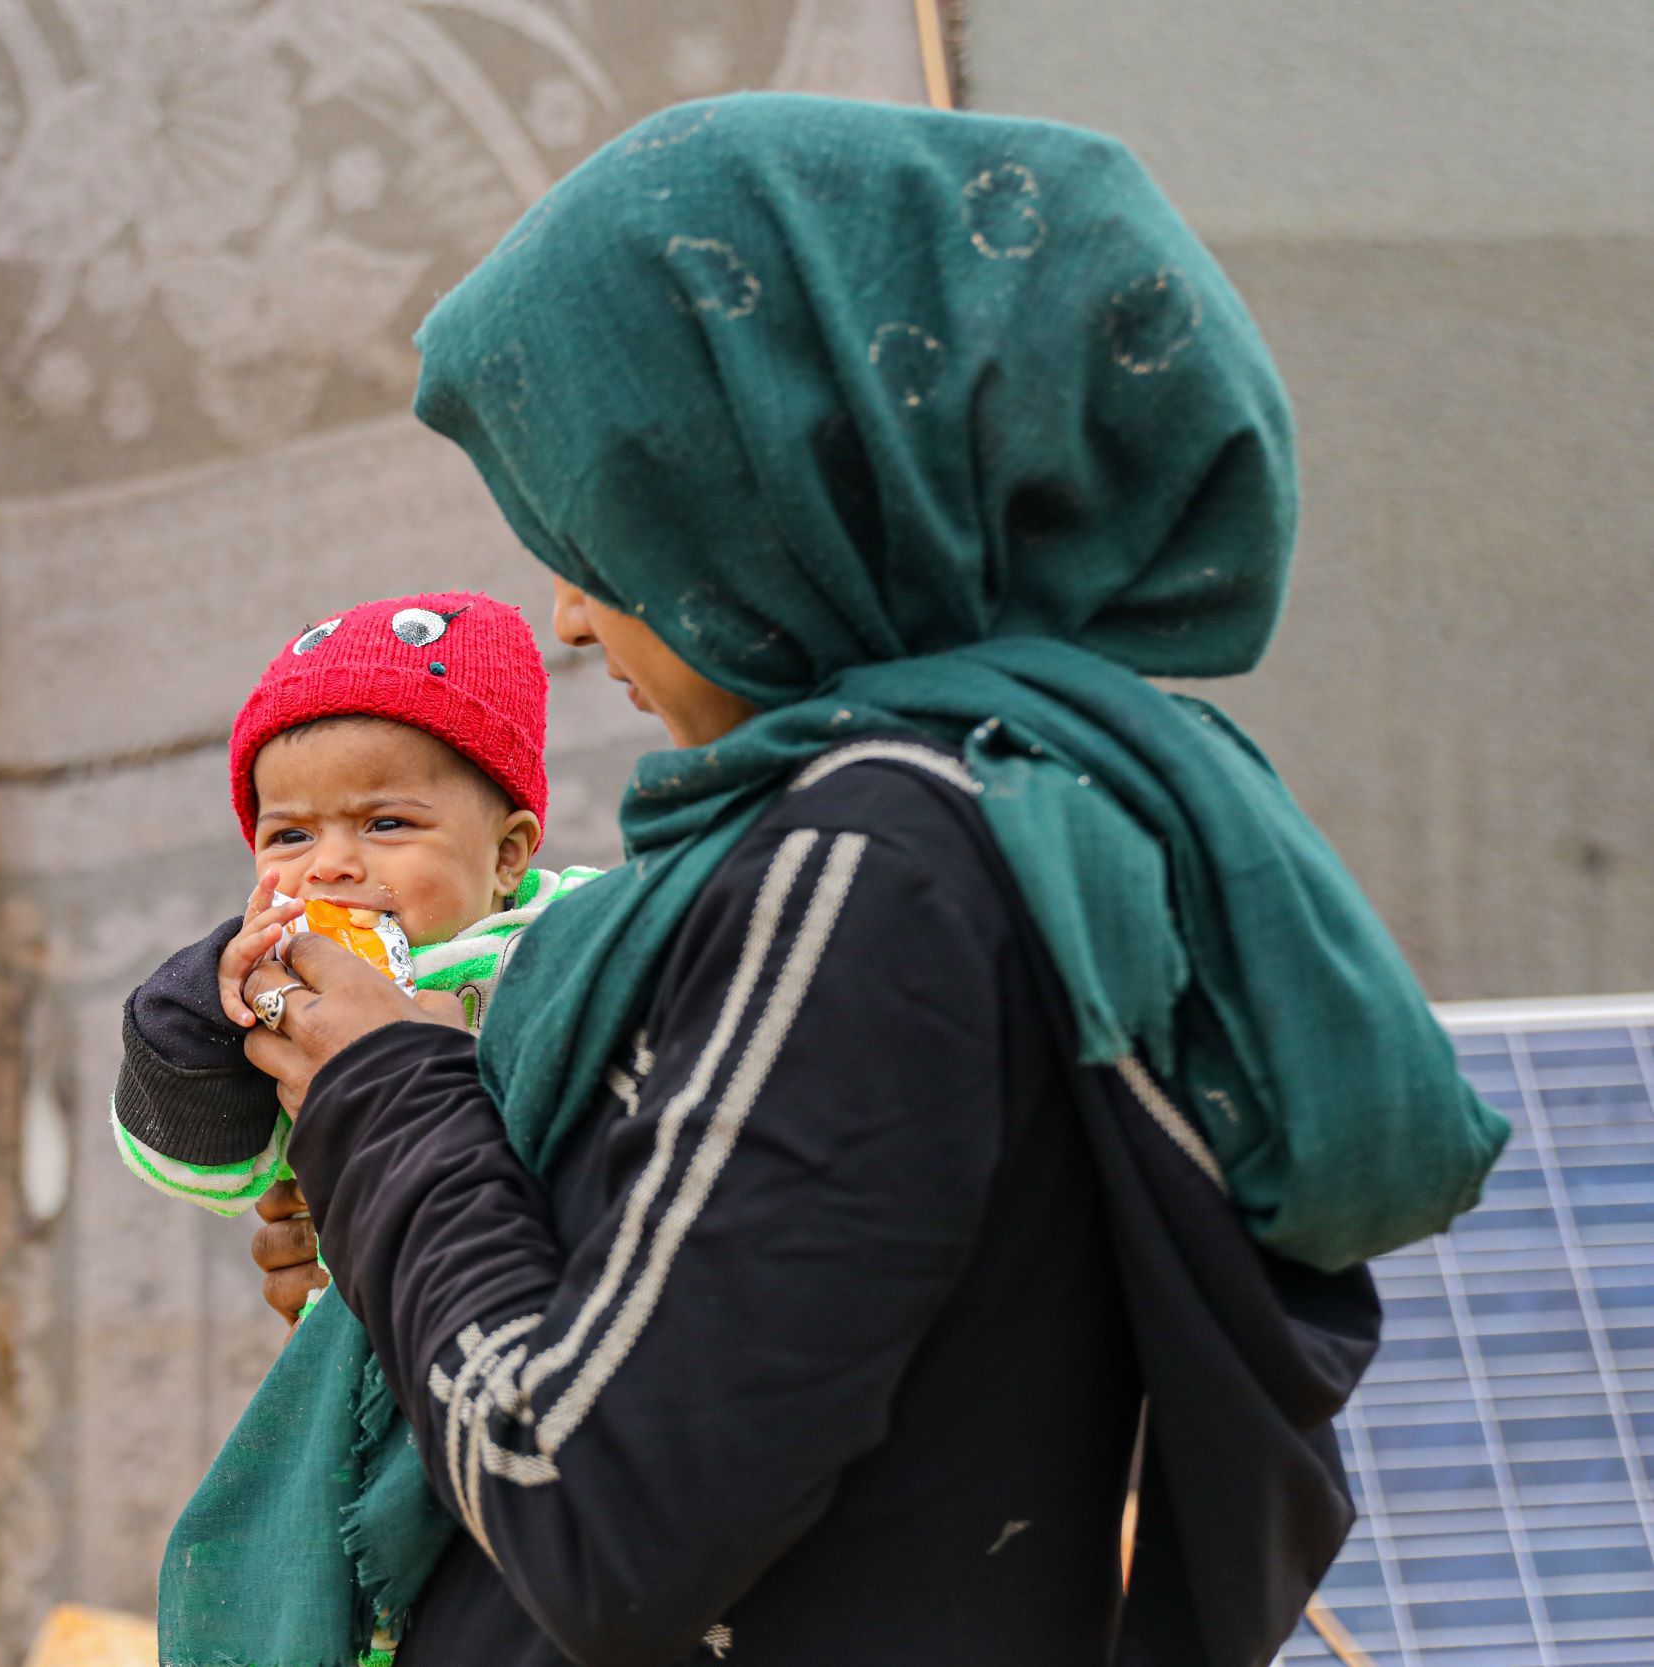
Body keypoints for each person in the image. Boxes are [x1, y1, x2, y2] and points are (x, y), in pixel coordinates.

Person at [163, 95, 1509, 1667]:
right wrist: (414, 1248)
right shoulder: (1014, 811)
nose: (576, 617)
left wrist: (387, 1097)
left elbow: (596, 1506)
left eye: (604, 531)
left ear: (761, 497)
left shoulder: (866, 866)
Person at [108, 591, 596, 1317]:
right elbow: (199, 1173)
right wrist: (201, 1014)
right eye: (290, 837)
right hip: (367, 1351)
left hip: (535, 1309)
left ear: (507, 854)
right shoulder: (282, 998)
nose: (329, 865)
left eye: (387, 822)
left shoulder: (575, 944)